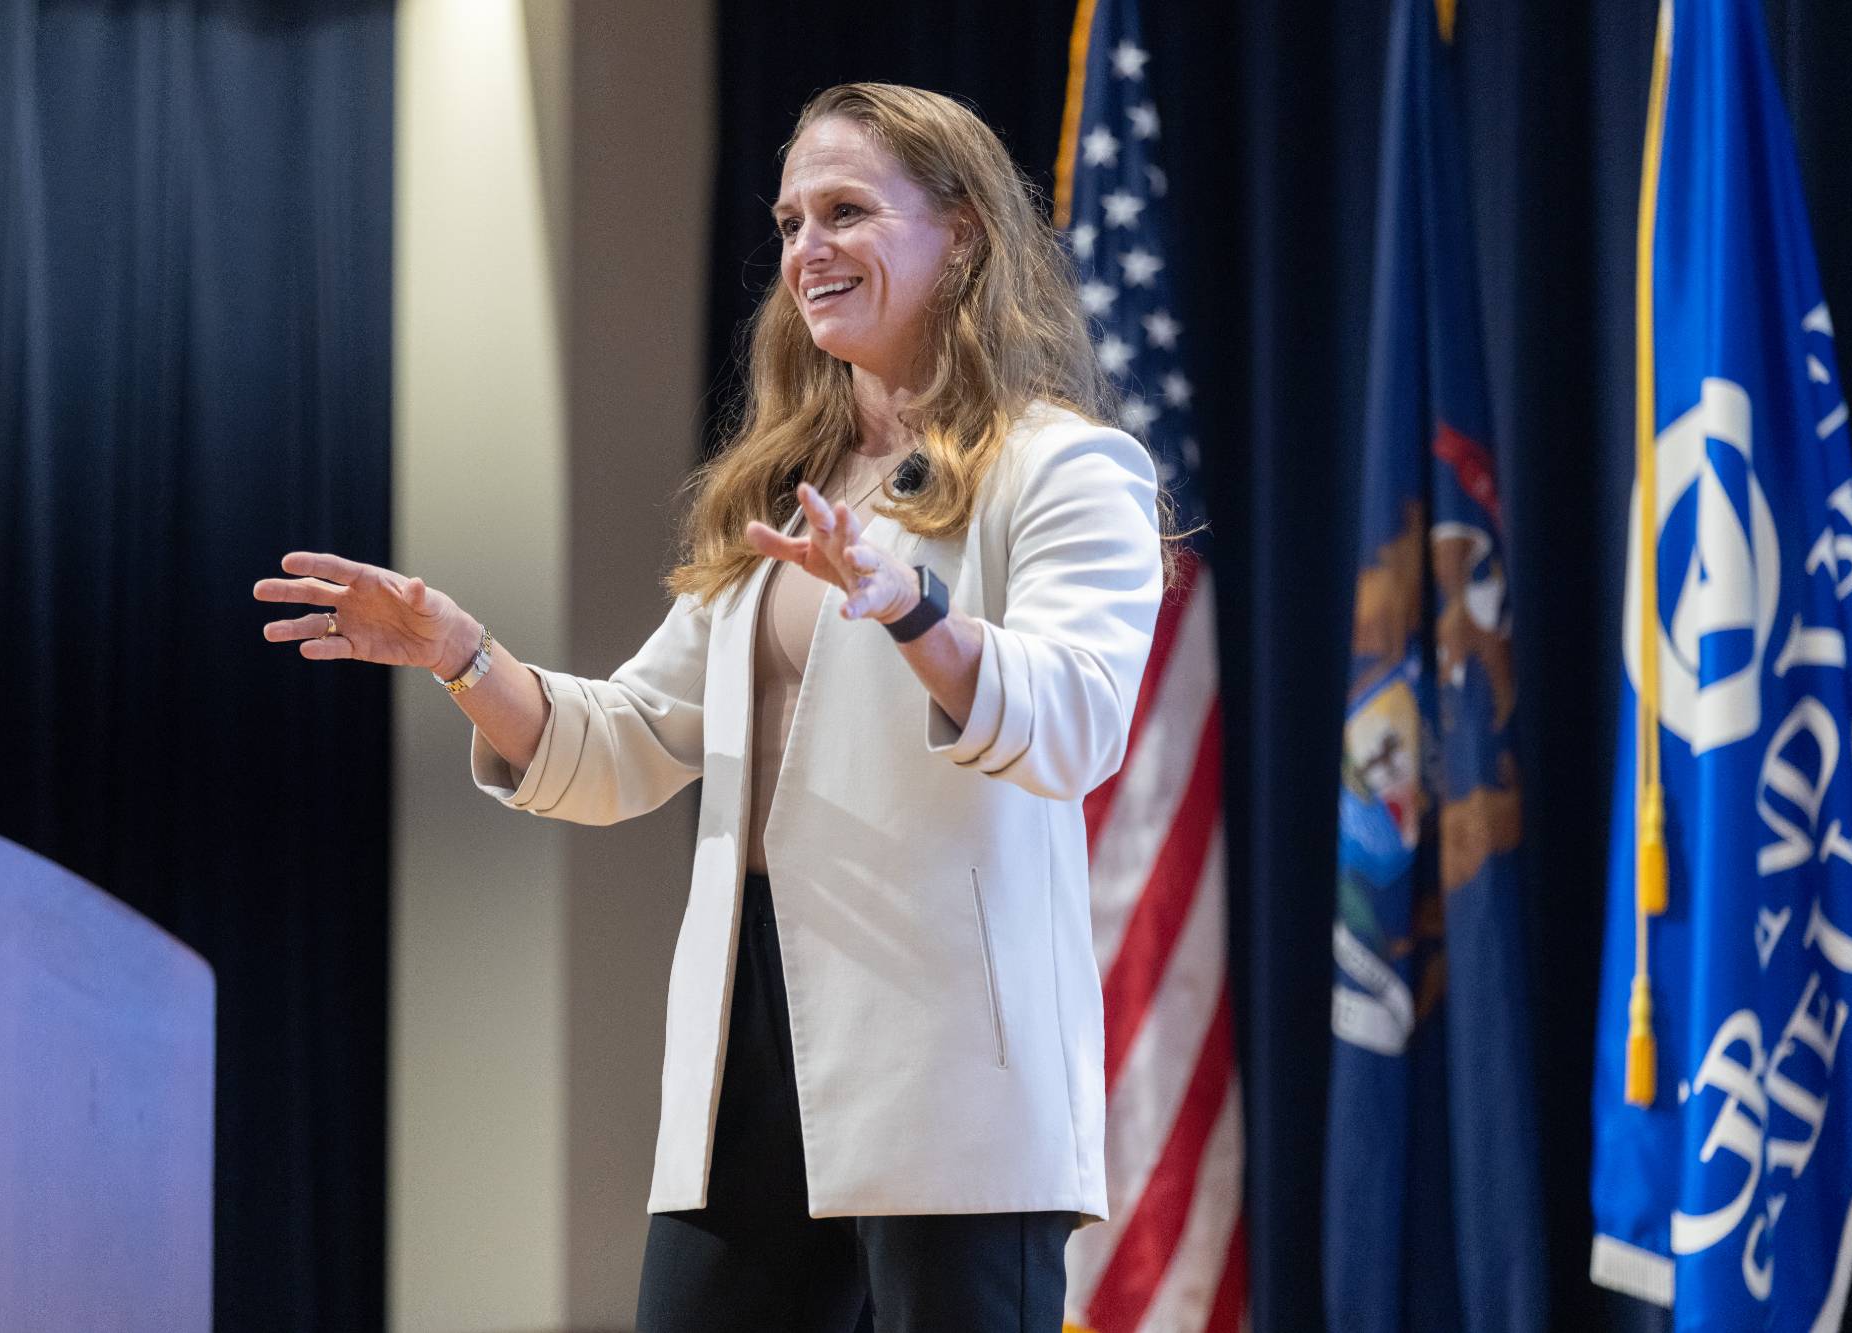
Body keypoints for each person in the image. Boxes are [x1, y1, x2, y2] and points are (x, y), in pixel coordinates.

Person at [255, 82, 1177, 1332]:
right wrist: (462, 655)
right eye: (791, 221)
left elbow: (1075, 721)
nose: (807, 248)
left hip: (952, 1065)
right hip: (746, 1037)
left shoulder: (1059, 466)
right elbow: (622, 745)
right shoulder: (785, 488)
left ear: (960, 231)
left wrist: (913, 609)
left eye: (846, 212)